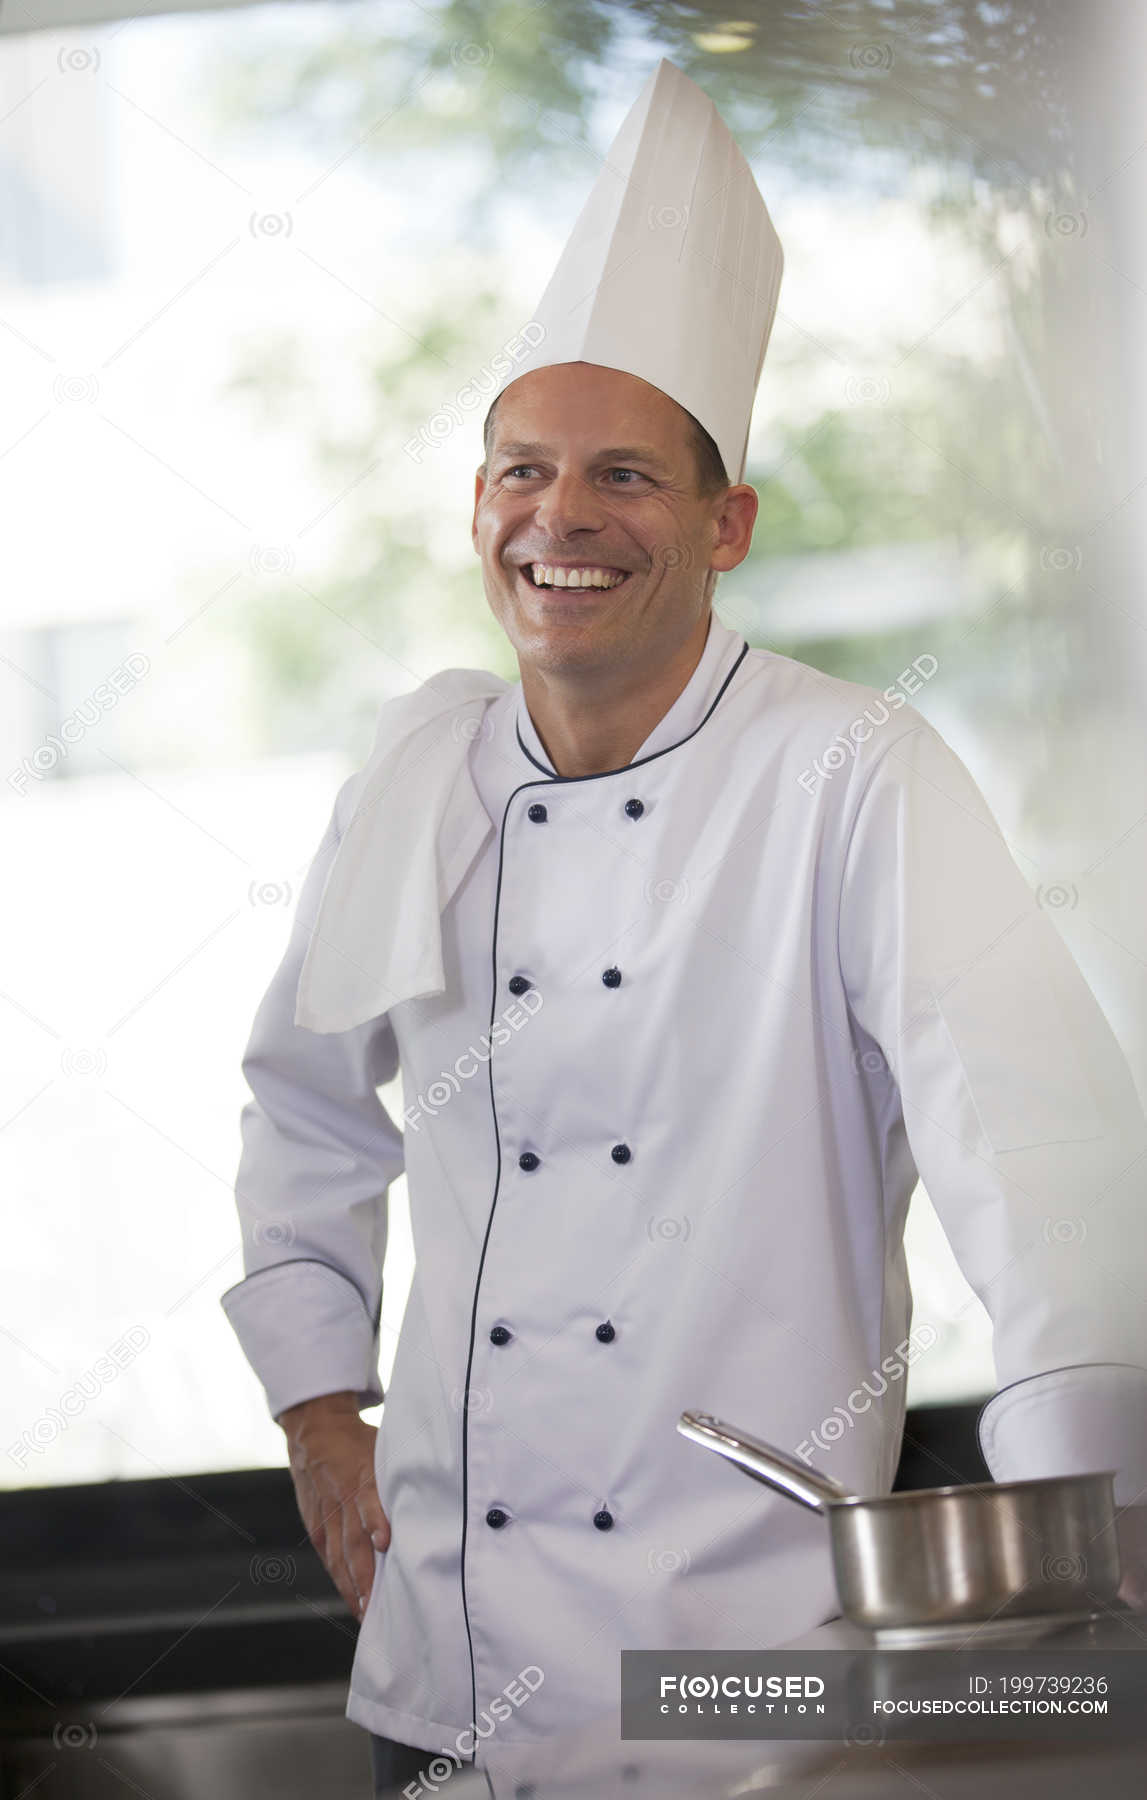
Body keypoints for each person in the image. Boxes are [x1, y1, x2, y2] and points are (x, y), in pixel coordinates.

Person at [221, 59, 1147, 1785]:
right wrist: (317, 1409)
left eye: (626, 478)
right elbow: (302, 1106)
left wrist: (1105, 1525)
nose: (560, 518)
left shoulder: (852, 773)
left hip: (754, 1689)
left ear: (726, 526)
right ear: (478, 508)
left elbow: (1046, 1162)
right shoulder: (422, 762)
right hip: (447, 1671)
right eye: (521, 470)